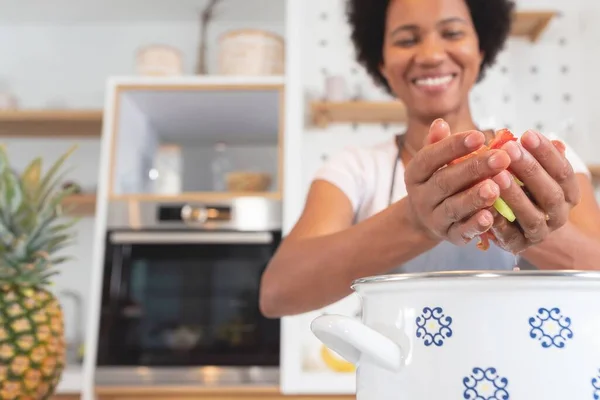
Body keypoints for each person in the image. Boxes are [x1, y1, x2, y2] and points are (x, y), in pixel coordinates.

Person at [259, 0, 600, 318]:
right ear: (382, 64)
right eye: (407, 40)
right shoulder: (355, 168)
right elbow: (277, 292)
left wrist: (537, 227)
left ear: (481, 49)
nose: (431, 54)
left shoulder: (541, 160)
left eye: (452, 33)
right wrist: (415, 221)